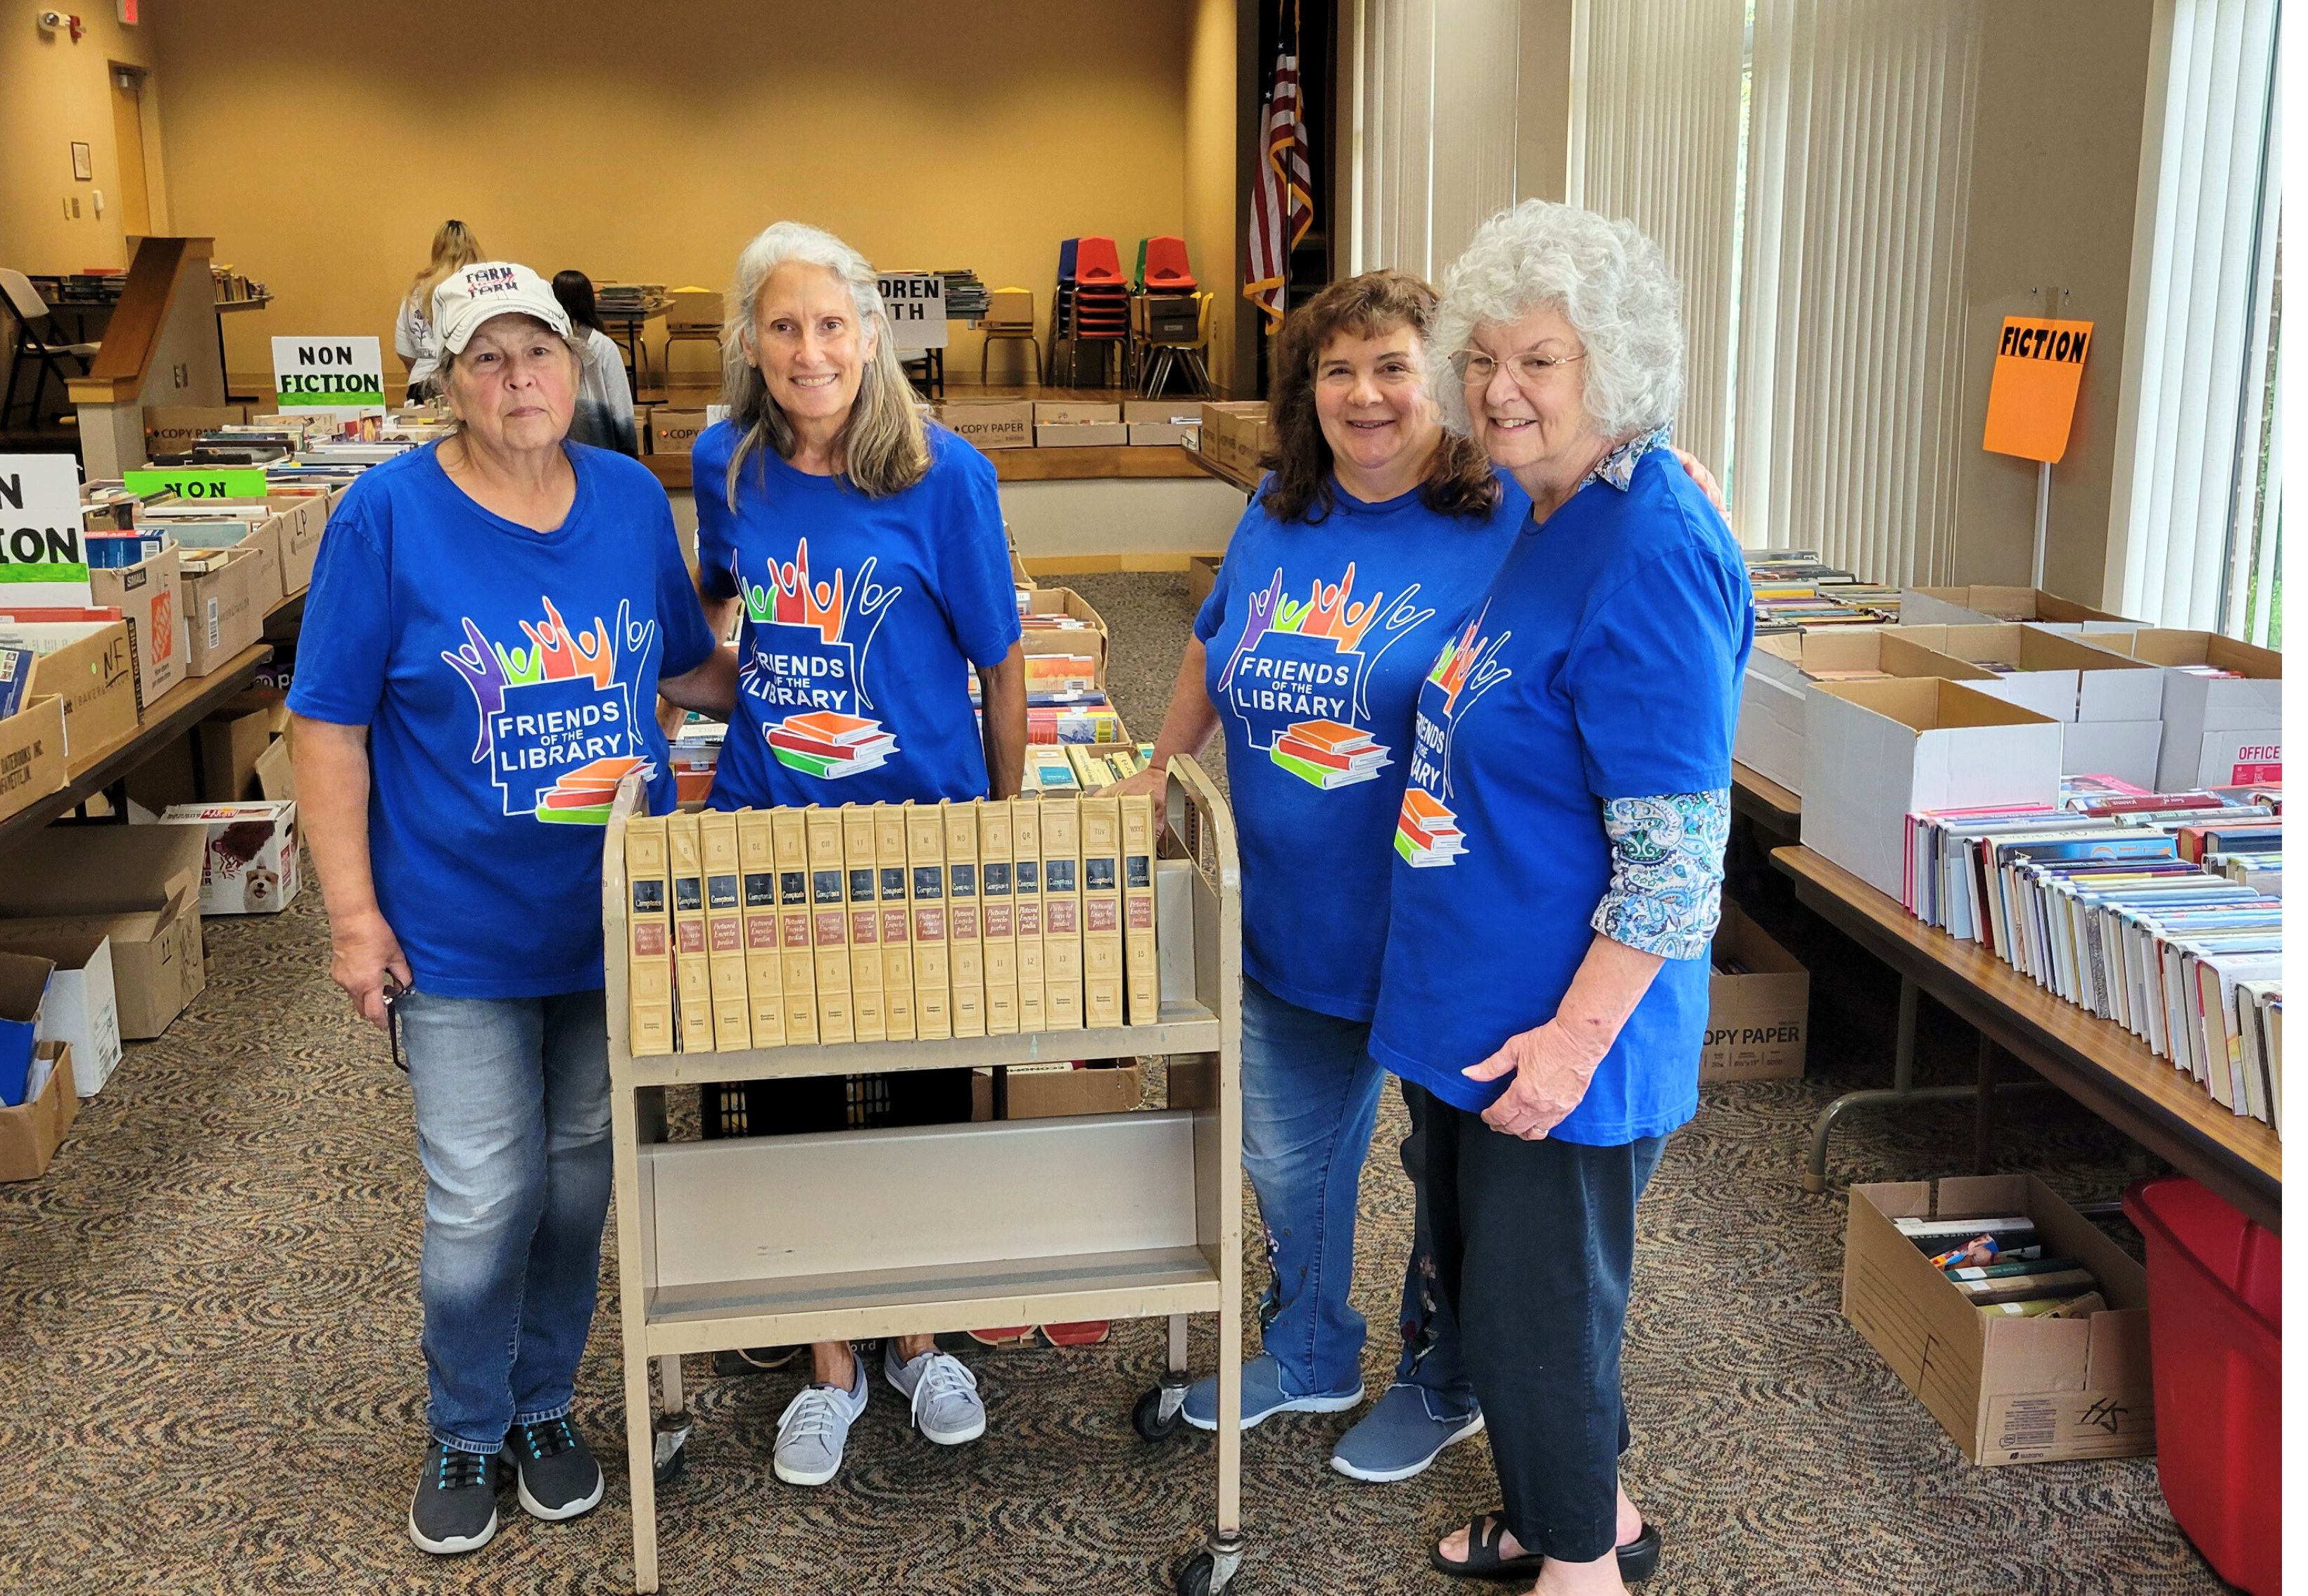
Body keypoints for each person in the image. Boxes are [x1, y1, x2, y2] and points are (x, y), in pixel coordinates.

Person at [290, 260, 735, 1558]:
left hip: (607, 917)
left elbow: (685, 664)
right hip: (457, 929)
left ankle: (546, 1401)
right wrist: (351, 917)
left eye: (535, 351)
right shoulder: (385, 516)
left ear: (576, 363)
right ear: (444, 383)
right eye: (483, 359)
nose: (516, 379)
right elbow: (326, 726)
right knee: (485, 1191)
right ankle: (466, 1419)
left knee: (582, 1175)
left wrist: (834, 666)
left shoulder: (622, 496)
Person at [1369, 200, 1751, 1595]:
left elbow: (1674, 862)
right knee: (1501, 1300)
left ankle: (1581, 1565)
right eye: (1482, 357)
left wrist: (1577, 1041)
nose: (1497, 389)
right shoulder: (1555, 508)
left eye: (1540, 361)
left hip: (1559, 1028)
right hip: (1479, 997)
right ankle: (1569, 1506)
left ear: (1613, 369)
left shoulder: (1651, 543)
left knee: (1540, 1319)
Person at [1117, 269, 1514, 1483]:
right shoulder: (1279, 509)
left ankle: (1445, 1378)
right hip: (1290, 914)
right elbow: (1211, 632)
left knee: (1449, 1175)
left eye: (1392, 365)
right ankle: (1309, 1348)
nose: (1365, 393)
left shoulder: (1505, 521)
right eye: (1336, 370)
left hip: (1442, 929)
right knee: (1287, 1156)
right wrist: (1160, 758)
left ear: (1439, 377)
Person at [690, 220, 1029, 1487]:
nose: (808, 348)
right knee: (788, 1096)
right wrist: (745, 693)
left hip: (918, 830)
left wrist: (996, 829)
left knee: (925, 1086)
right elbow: (723, 601)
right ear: (751, 343)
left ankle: (918, 1334)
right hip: (769, 826)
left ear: (873, 335)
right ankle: (831, 1358)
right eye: (783, 325)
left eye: (832, 324)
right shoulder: (723, 457)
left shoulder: (944, 475)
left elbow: (1000, 663)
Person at [549, 270, 642, 457]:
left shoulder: (548, 347)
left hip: (558, 447)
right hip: (601, 442)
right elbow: (621, 402)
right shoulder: (604, 346)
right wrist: (630, 451)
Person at [395, 220, 485, 402]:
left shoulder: (414, 293)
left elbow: (404, 351)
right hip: (469, 383)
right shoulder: (480, 289)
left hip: (422, 384)